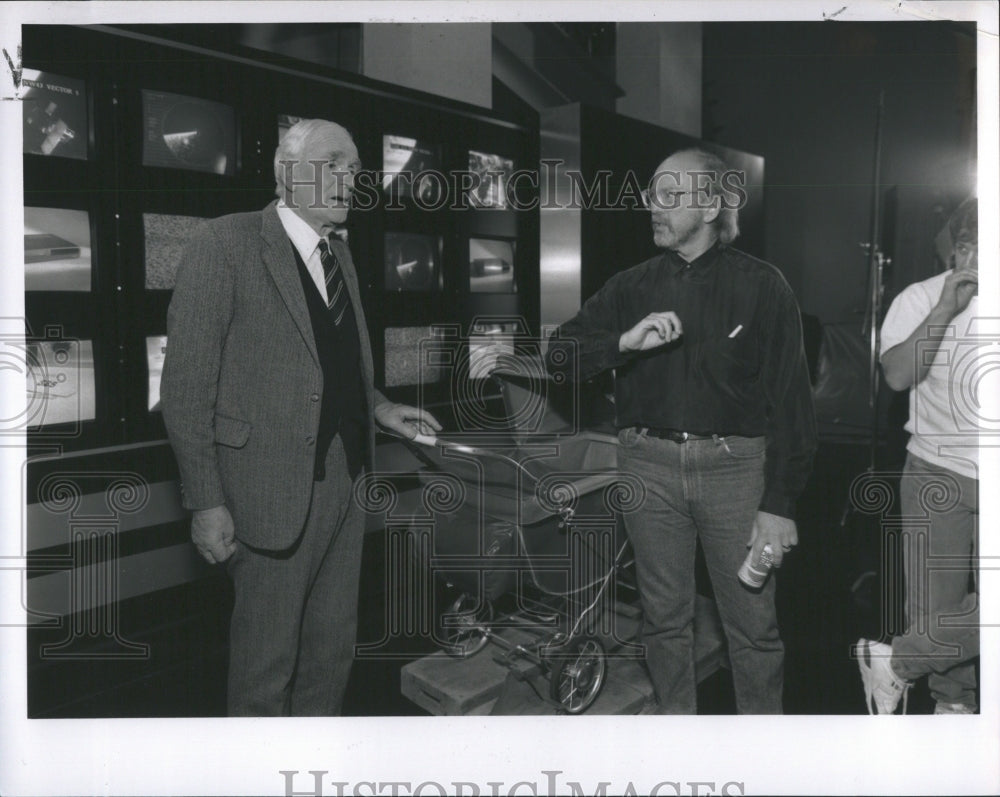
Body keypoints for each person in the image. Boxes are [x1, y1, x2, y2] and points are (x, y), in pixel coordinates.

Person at [160, 118, 441, 716]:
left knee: (330, 658)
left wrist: (382, 408)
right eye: (333, 163)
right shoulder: (225, 244)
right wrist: (206, 503)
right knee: (266, 672)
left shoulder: (339, 254)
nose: (350, 179)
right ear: (289, 173)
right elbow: (184, 391)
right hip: (263, 496)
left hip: (346, 487)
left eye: (355, 170)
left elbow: (342, 369)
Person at [546, 148, 817, 714]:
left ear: (712, 205)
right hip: (646, 465)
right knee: (663, 621)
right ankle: (678, 743)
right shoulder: (630, 286)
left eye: (671, 196)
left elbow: (793, 405)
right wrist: (621, 343)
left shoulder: (764, 287)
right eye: (653, 195)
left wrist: (780, 503)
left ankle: (762, 757)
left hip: (735, 470)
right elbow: (560, 355)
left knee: (753, 629)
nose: (654, 206)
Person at [856, 197, 979, 715]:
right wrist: (946, 309)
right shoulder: (920, 298)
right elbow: (898, 376)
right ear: (962, 246)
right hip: (937, 474)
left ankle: (898, 662)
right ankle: (953, 713)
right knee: (937, 610)